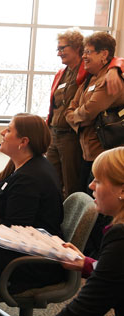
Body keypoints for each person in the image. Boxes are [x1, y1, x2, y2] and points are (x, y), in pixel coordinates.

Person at [0, 113, 65, 294]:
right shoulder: (31, 165)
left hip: (27, 261)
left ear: (23, 142)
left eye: (8, 130)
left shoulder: (29, 178)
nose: (2, 132)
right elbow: (10, 199)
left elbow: (14, 233)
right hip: (25, 248)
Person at [65, 32, 124, 256]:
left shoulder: (111, 78)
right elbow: (73, 108)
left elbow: (88, 112)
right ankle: (88, 252)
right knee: (89, 201)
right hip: (87, 152)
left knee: (102, 209)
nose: (85, 57)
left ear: (104, 54)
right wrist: (75, 115)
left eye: (89, 52)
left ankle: (97, 256)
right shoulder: (89, 78)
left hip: (104, 154)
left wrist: (74, 116)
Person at [47, 28, 124, 199]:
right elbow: (69, 107)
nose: (59, 53)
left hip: (89, 144)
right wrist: (76, 117)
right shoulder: (83, 75)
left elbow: (89, 111)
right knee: (55, 183)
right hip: (68, 138)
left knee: (79, 190)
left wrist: (115, 68)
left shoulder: (101, 74)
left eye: (62, 48)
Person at [57, 146, 124, 316]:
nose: (91, 185)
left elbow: (84, 309)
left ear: (122, 190)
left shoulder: (120, 239)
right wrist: (86, 263)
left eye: (99, 181)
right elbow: (116, 273)